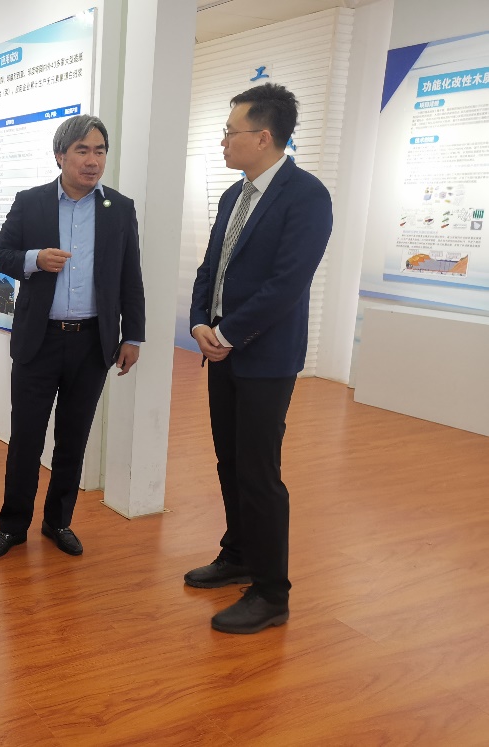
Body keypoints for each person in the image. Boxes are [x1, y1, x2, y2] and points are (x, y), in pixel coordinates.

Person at [186, 83, 332, 634]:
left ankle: (272, 592)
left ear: (264, 136)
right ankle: (239, 553)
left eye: (231, 132)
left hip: (265, 356)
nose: (224, 141)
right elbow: (211, 268)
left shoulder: (306, 196)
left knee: (259, 471)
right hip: (222, 350)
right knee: (229, 460)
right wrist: (200, 322)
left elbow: (287, 284)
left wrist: (227, 333)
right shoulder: (234, 195)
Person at [0, 114, 145, 561]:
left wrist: (133, 336)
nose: (92, 161)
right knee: (26, 438)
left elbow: (131, 276)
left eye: (100, 151)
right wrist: (34, 259)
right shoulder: (31, 202)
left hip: (92, 343)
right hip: (40, 340)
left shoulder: (119, 208)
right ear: (60, 156)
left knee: (74, 438)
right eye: (82, 151)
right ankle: (12, 526)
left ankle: (58, 521)